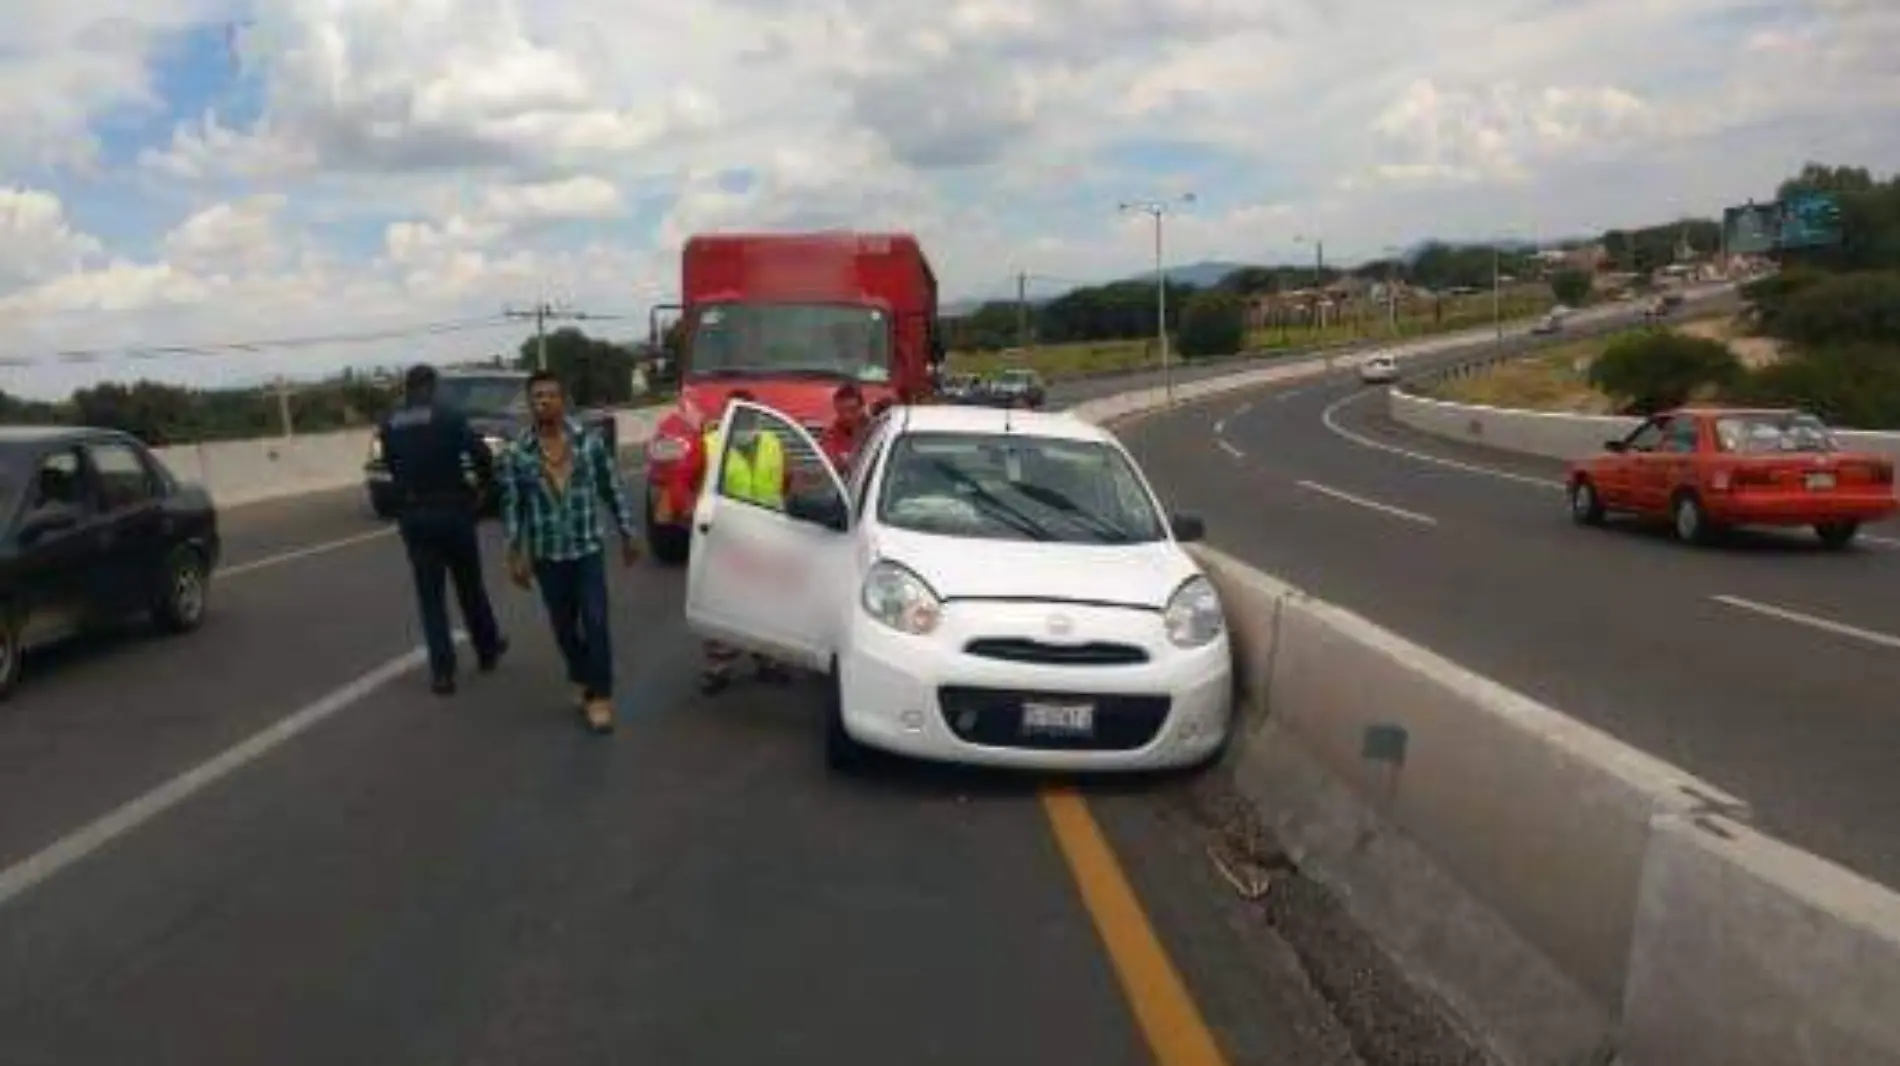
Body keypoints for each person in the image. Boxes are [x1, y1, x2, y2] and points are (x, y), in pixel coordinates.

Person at [498, 371, 641, 734]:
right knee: (563, 629)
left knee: (596, 622)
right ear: (529, 404)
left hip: (587, 550)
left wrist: (627, 532)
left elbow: (611, 489)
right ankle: (579, 673)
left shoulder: (589, 444)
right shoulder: (517, 453)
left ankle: (600, 697)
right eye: (537, 396)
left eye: (550, 395)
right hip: (548, 556)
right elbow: (513, 506)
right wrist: (515, 553)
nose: (543, 401)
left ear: (564, 401)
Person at [376, 364, 508, 695]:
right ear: (432, 386)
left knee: (430, 596)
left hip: (414, 515)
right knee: (469, 586)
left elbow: (390, 464)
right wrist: (484, 489)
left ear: (407, 388)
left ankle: (442, 673)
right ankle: (487, 649)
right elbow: (480, 454)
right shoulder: (449, 415)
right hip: (453, 510)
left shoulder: (391, 421)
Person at [698, 389, 793, 695]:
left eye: (749, 413)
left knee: (767, 604)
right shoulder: (710, 445)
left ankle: (768, 662)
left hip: (769, 535)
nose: (743, 419)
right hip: (728, 538)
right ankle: (718, 669)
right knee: (723, 605)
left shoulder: (772, 443)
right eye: (737, 414)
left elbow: (786, 480)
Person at [818, 382, 871, 471]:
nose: (847, 416)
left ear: (862, 408)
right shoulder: (830, 435)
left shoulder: (877, 428)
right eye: (841, 412)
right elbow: (828, 462)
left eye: (852, 410)